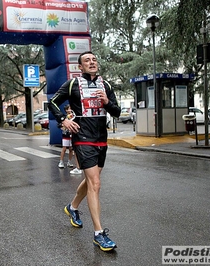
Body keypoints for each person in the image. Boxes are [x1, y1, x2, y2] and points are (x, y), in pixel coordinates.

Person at [48, 51, 121, 252]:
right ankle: (99, 234)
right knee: (95, 183)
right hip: (82, 137)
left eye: (94, 59)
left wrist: (107, 101)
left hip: (101, 139)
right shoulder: (72, 84)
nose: (92, 62)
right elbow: (53, 101)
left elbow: (117, 112)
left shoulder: (106, 85)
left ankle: (72, 208)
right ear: (80, 67)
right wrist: (63, 119)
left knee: (92, 180)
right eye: (87, 60)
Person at [58, 104, 74, 169]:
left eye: (70, 109)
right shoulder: (64, 117)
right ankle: (61, 162)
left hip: (72, 134)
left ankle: (69, 161)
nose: (69, 110)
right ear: (66, 110)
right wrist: (62, 125)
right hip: (65, 134)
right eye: (68, 109)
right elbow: (59, 124)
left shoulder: (74, 116)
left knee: (71, 149)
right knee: (64, 148)